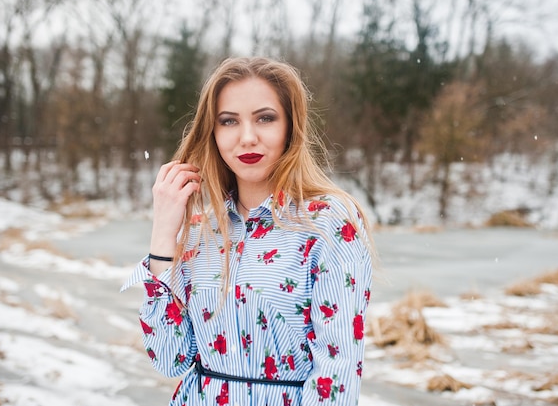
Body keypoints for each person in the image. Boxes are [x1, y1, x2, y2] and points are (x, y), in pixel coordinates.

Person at [121, 56, 374, 406]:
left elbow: (337, 373)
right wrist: (164, 236)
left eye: (265, 118)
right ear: (213, 132)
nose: (247, 137)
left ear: (290, 127)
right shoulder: (201, 231)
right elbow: (169, 358)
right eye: (229, 121)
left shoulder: (329, 222)